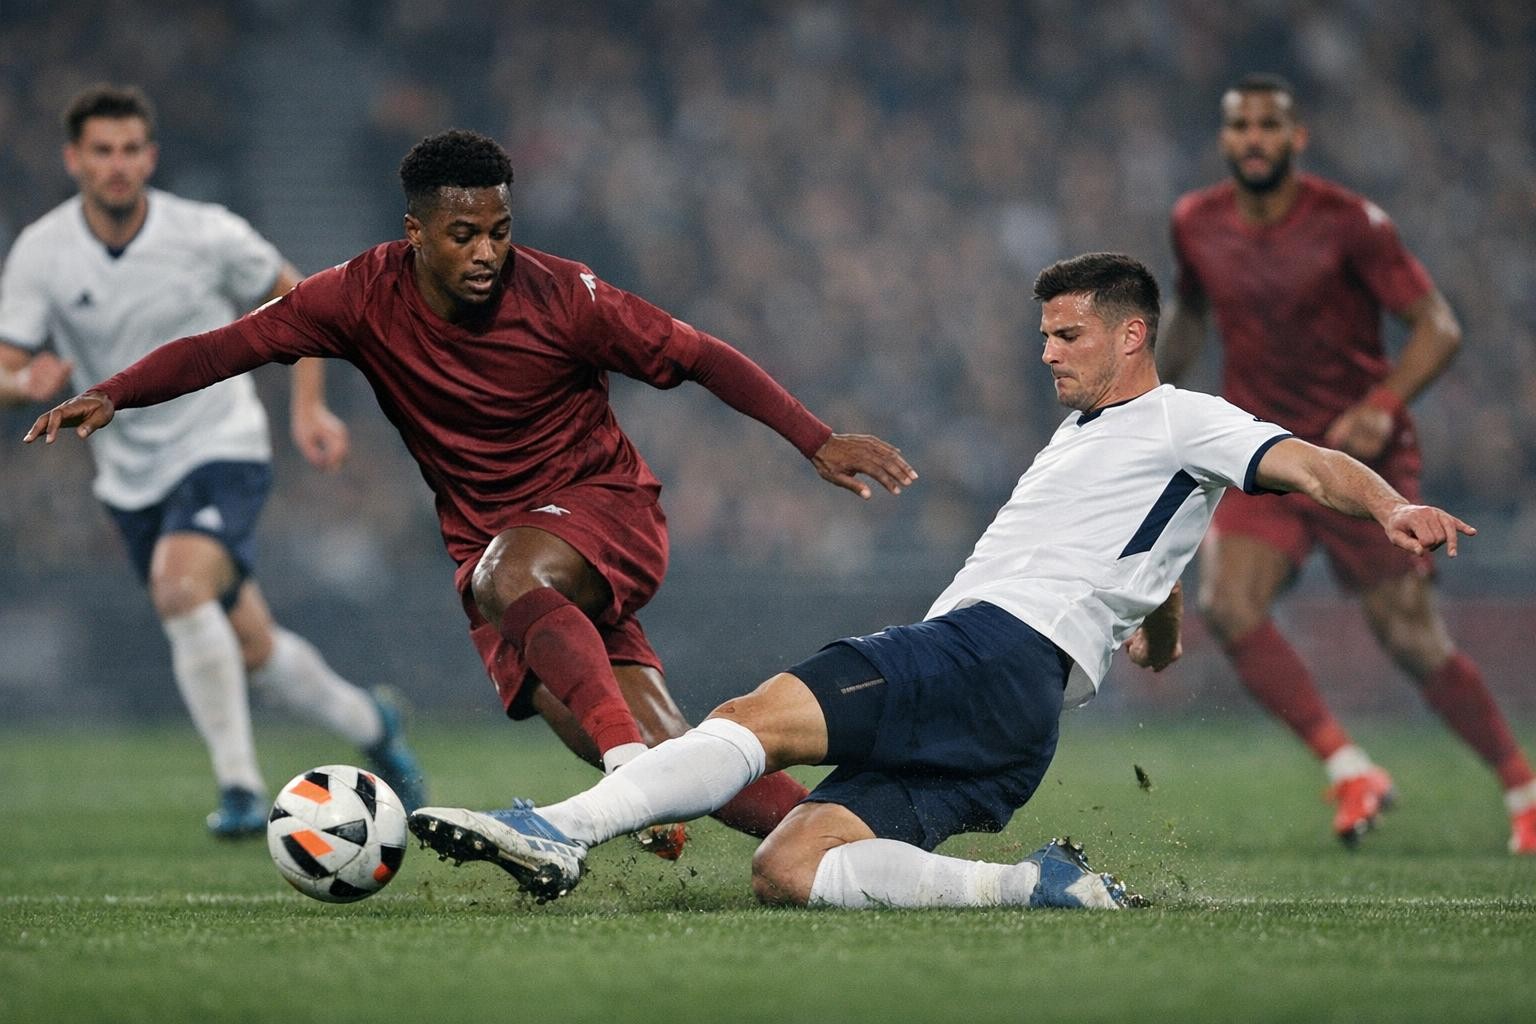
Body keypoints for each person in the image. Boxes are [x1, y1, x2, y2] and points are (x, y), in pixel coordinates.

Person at [398, 252, 1475, 911]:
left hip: (989, 648)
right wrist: (1158, 623)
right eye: (1044, 334)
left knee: (750, 719)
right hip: (1019, 720)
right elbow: (1144, 545)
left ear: (1133, 335)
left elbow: (1306, 464)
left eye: (1068, 335)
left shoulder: (1182, 415)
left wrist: (1389, 506)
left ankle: (562, 829)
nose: (1047, 353)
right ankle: (1034, 887)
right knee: (791, 865)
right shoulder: (1101, 439)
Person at [23, 127, 918, 853]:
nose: (488, 251)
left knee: (534, 615)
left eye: (499, 229)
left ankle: (622, 784)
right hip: (494, 550)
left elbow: (701, 355)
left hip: (602, 510)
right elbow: (227, 346)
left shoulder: (567, 296)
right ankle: (860, 839)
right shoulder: (357, 296)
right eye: (464, 235)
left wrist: (814, 438)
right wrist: (116, 392)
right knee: (677, 751)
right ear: (415, 233)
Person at [0, 85, 427, 836]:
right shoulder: (43, 250)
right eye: (101, 151)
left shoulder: (205, 233)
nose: (117, 164)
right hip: (128, 476)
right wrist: (22, 384)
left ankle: (239, 790)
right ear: (74, 160)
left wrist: (307, 408)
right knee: (253, 648)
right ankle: (373, 720)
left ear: (151, 156)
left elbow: (303, 301)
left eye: (130, 149)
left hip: (221, 446)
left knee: (179, 585)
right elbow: (6, 366)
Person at [1160, 74, 1536, 853]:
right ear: (1225, 139)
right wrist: (1147, 399)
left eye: (1269, 125)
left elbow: (1438, 327)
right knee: (1228, 603)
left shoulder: (1351, 223)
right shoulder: (1195, 222)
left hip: (1362, 454)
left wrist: (1383, 406)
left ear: (1297, 138)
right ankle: (1348, 767)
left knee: (1412, 640)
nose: (1254, 139)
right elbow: (1191, 312)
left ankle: (1523, 790)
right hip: (1264, 451)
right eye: (1240, 126)